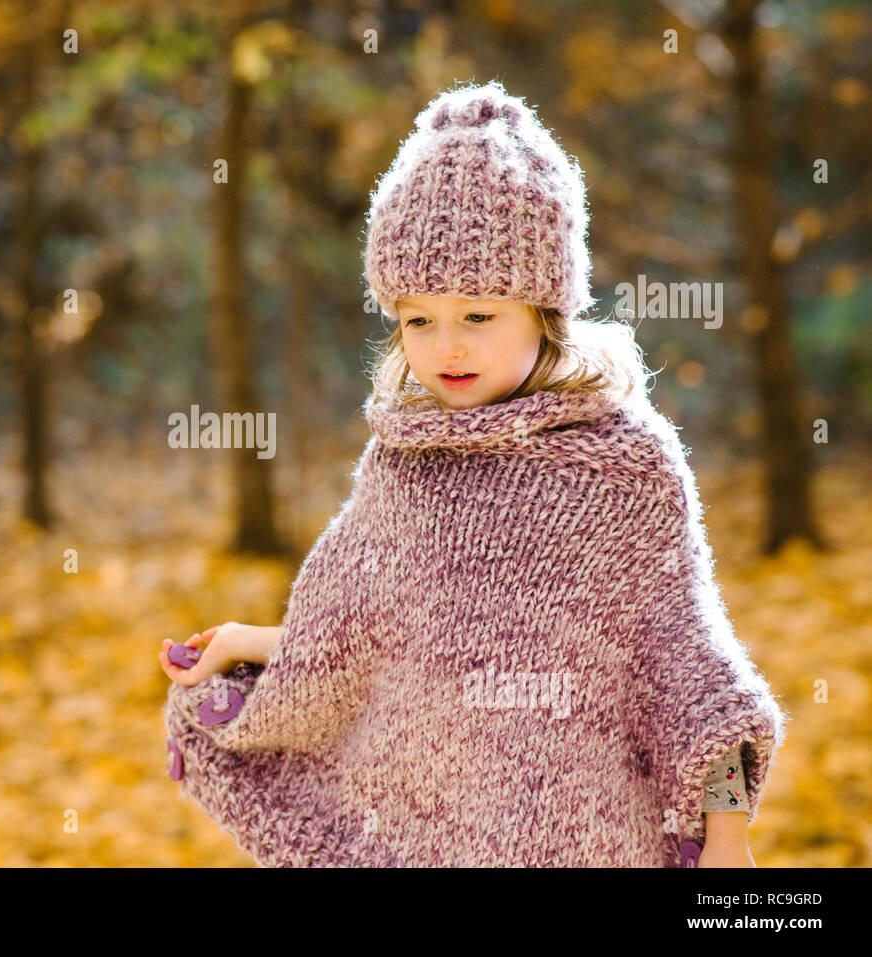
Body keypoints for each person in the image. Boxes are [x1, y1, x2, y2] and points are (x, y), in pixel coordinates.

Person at [158, 79, 787, 867]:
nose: (445, 347)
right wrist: (261, 645)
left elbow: (689, 667)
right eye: (418, 319)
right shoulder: (404, 461)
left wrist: (727, 836)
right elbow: (387, 637)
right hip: (433, 831)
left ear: (545, 309)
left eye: (478, 316)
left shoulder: (626, 468)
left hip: (589, 836)